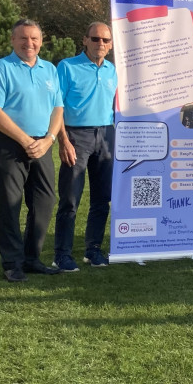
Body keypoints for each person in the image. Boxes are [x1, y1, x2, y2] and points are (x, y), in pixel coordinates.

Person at [0, 19, 64, 282]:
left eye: (34, 39)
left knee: (44, 201)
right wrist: (25, 139)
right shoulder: (2, 67)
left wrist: (50, 138)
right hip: (8, 143)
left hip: (42, 144)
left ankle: (31, 258)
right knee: (10, 204)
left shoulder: (49, 69)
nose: (29, 43)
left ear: (41, 41)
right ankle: (12, 263)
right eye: (23, 38)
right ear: (13, 40)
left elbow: (58, 108)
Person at [52, 22, 118, 271]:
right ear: (85, 40)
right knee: (70, 198)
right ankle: (62, 254)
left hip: (107, 135)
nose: (101, 44)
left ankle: (93, 250)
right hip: (76, 136)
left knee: (102, 199)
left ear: (111, 45)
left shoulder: (113, 70)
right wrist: (63, 140)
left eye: (106, 40)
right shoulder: (67, 67)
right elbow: (56, 106)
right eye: (96, 39)